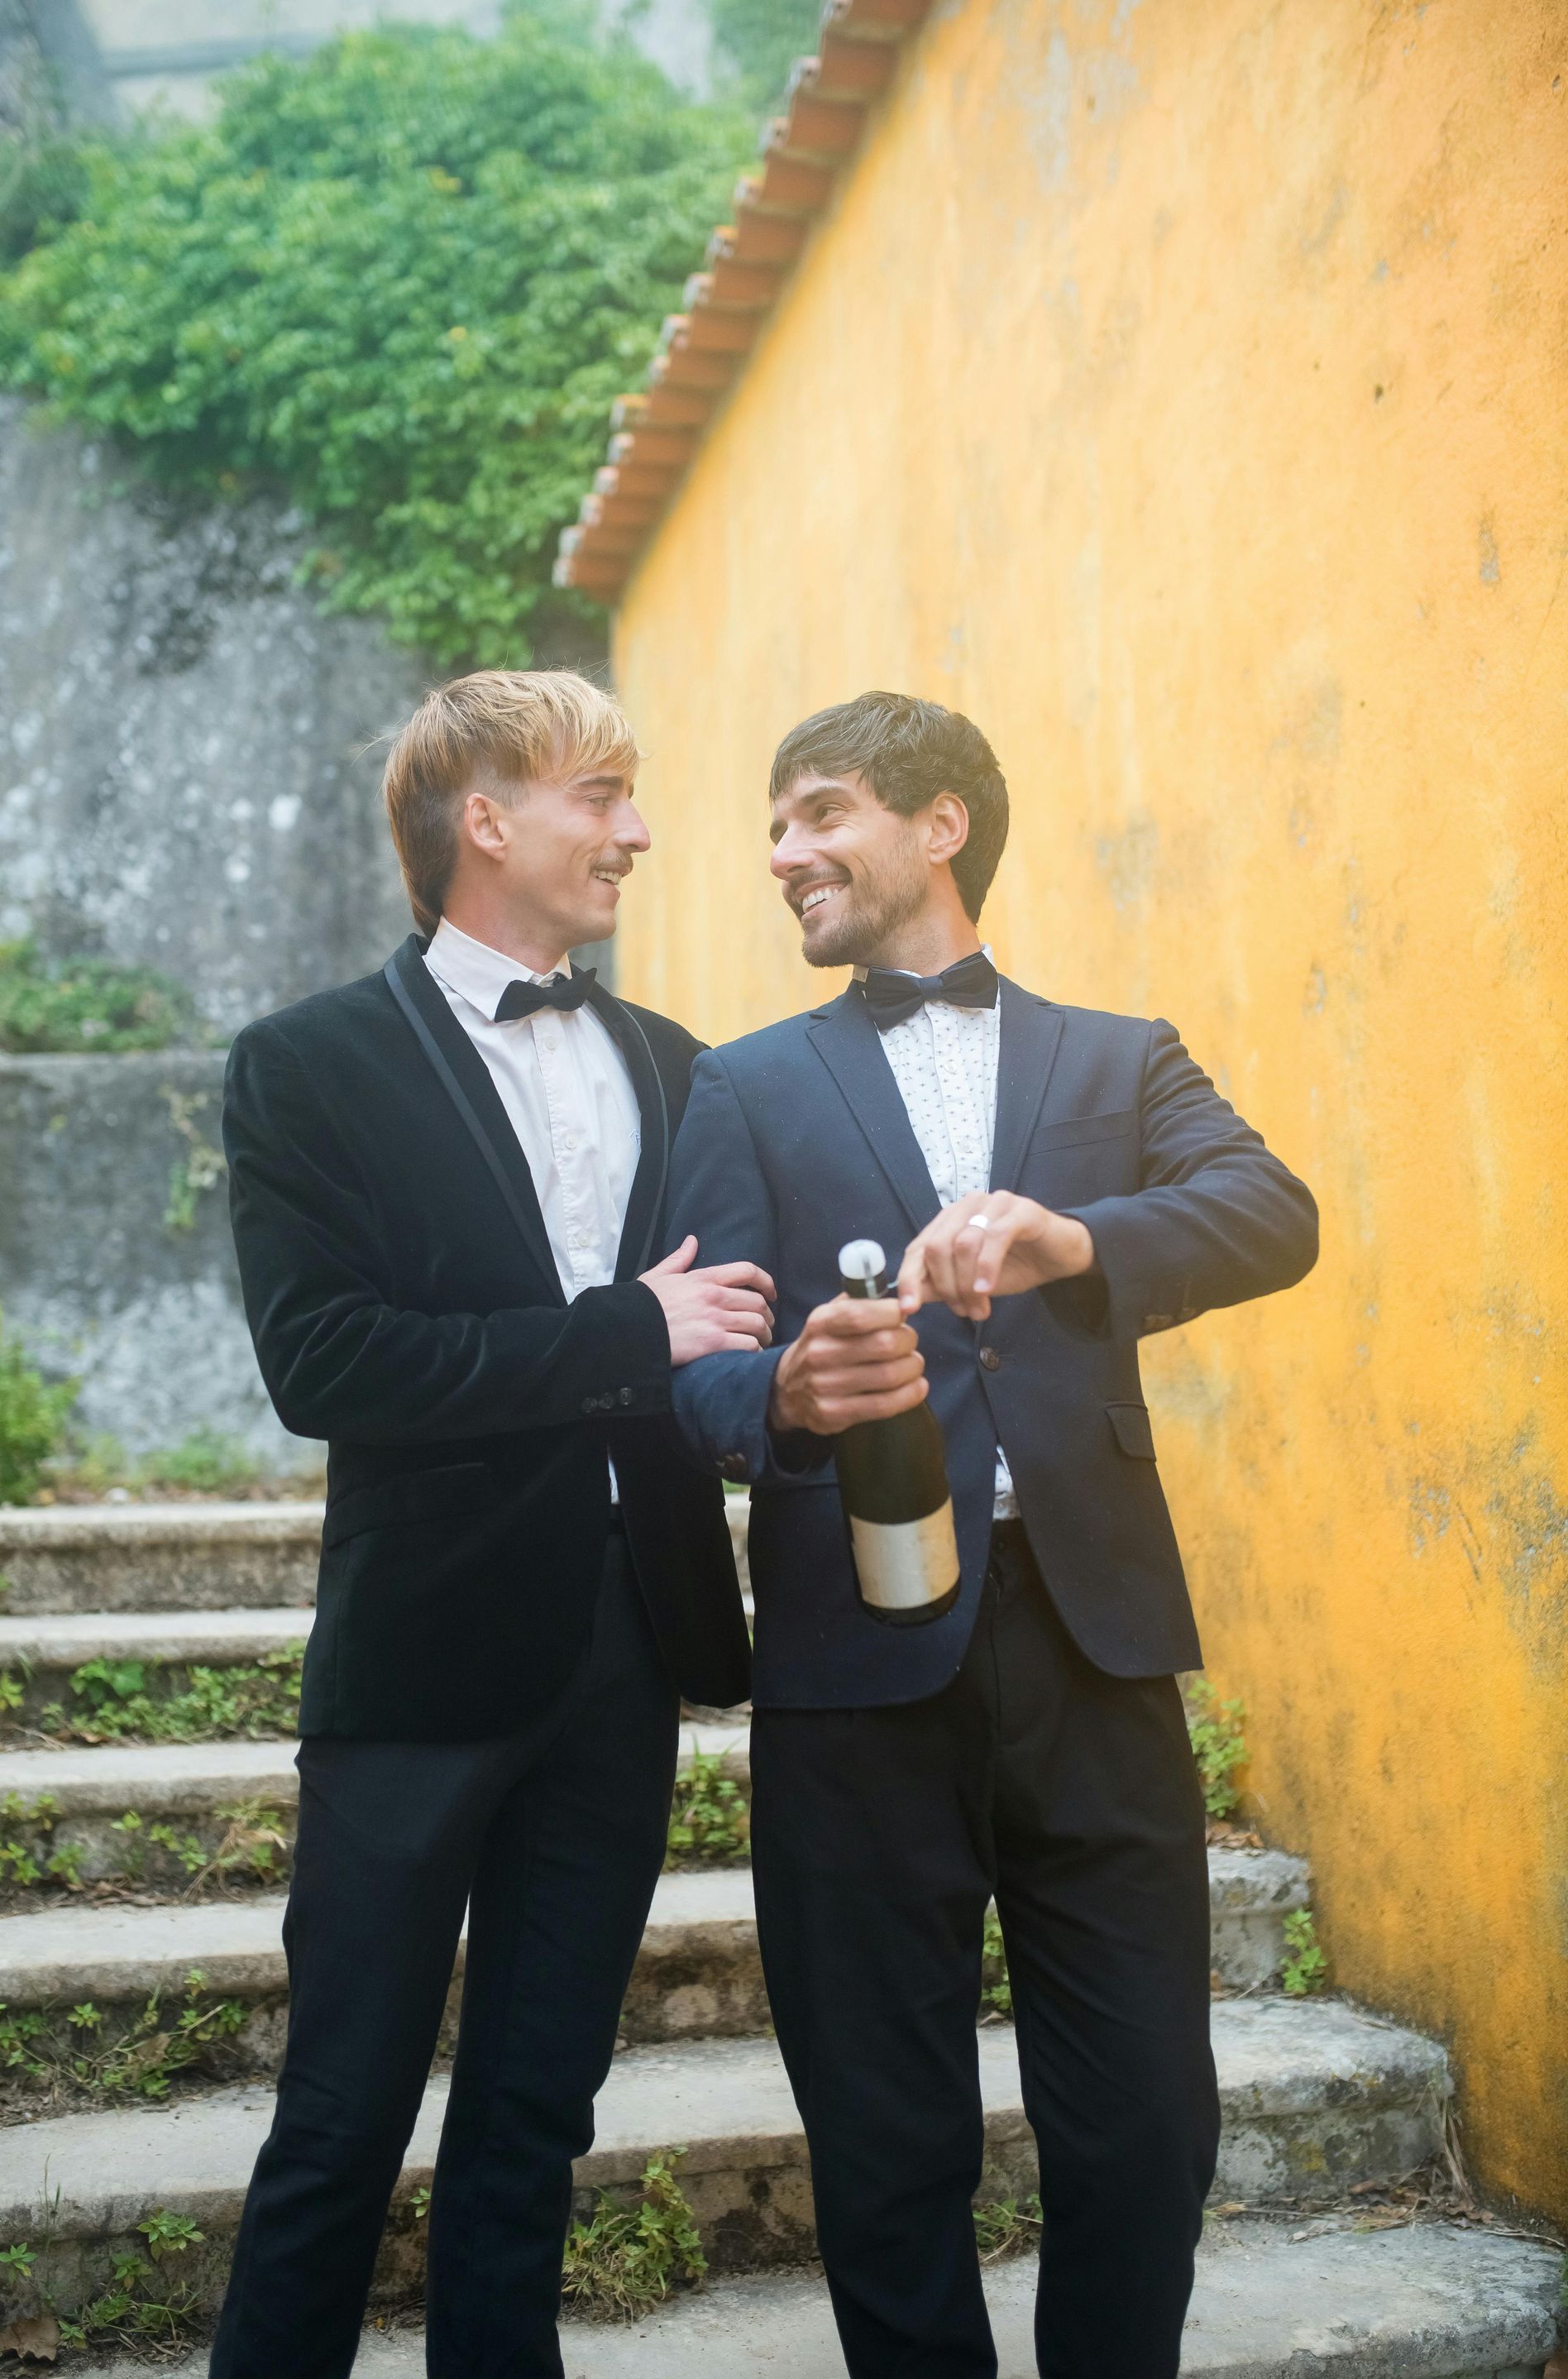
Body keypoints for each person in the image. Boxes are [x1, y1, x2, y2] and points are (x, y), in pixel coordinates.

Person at [666, 690, 1318, 2379]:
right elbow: (697, 1372)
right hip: (854, 1657)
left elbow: (1270, 1211)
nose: (782, 853)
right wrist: (788, 1398)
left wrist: (1070, 1235)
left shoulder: (1123, 1055)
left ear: (938, 821)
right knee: (886, 2144)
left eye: (816, 812)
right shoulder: (734, 1087)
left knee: (1148, 2127)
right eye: (773, 827)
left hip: (1096, 1644)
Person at [212, 669, 772, 2379]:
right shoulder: (302, 1066)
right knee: (342, 2115)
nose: (640, 828)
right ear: (486, 818)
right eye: (602, 791)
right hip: (420, 1663)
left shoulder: (675, 1063)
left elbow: (734, 1330)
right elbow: (327, 1362)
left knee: (535, 2116)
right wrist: (623, 1331)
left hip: (630, 1649)